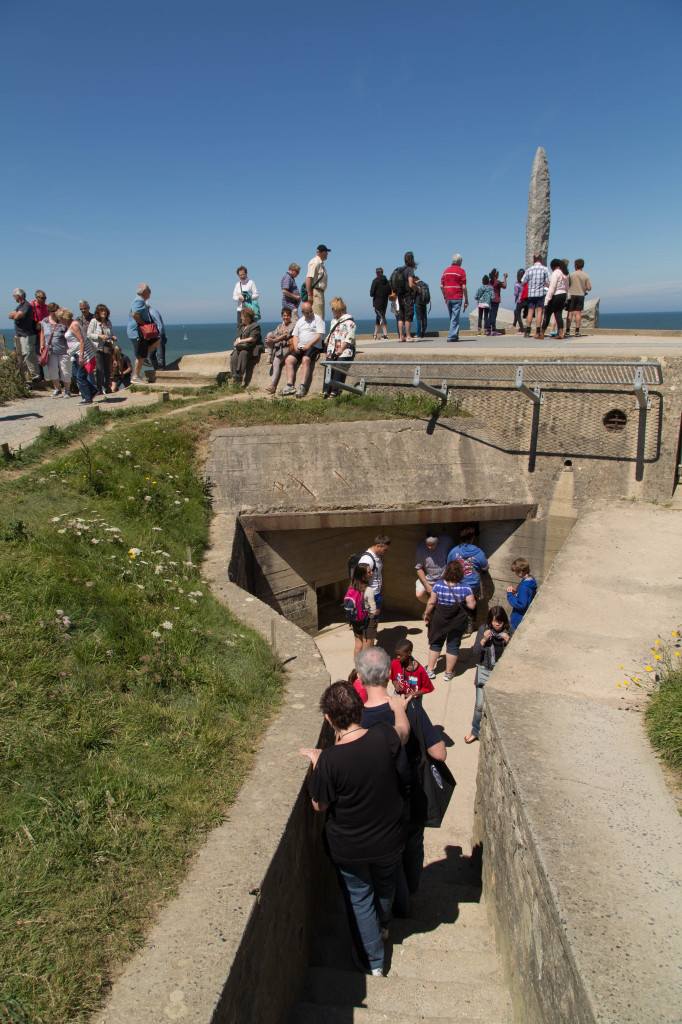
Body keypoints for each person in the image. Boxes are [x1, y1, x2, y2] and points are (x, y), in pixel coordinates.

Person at [300, 678, 410, 976]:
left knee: (360, 897)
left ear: (328, 719)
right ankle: (384, 925)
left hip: (350, 847)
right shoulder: (383, 736)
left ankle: (372, 961)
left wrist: (317, 767)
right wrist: (399, 708)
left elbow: (319, 806)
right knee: (385, 883)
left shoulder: (330, 761)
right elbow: (403, 733)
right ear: (360, 710)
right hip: (389, 837)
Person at [357, 647, 445, 916]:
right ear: (388, 675)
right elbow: (438, 752)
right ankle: (410, 897)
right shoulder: (410, 708)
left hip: (372, 803)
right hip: (408, 798)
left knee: (381, 857)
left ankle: (383, 907)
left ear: (361, 677)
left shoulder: (355, 717)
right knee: (412, 846)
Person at [464, 606, 512, 744]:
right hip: (485, 669)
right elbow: (475, 651)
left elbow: (514, 656)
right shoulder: (484, 630)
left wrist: (508, 642)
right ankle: (475, 730)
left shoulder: (510, 631)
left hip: (500, 672)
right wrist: (483, 640)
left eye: (500, 622)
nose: (497, 624)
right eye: (495, 621)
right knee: (479, 705)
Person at [424, 560, 476, 681]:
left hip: (440, 620)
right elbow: (472, 606)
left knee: (436, 643)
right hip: (457, 622)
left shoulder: (438, 585)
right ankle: (448, 673)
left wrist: (426, 614)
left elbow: (432, 602)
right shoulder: (466, 588)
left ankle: (430, 670)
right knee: (453, 645)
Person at [281, 301, 324, 398]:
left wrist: (308, 345)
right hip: (300, 345)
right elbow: (295, 336)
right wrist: (295, 345)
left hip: (314, 346)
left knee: (305, 359)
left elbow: (319, 335)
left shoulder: (317, 319)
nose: (309, 314)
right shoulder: (300, 321)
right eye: (307, 312)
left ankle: (303, 386)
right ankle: (289, 385)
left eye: (310, 311)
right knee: (289, 360)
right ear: (302, 312)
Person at [358, 535, 391, 645]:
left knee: (374, 623)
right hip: (371, 596)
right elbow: (360, 579)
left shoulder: (376, 556)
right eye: (384, 550)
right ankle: (368, 648)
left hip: (376, 593)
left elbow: (377, 575)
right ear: (378, 546)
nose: (386, 552)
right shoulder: (367, 560)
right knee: (370, 625)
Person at [60, 307, 97, 405]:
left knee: (80, 376)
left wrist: (81, 356)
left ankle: (87, 398)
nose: (60, 321)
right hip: (76, 353)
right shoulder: (71, 325)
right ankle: (92, 390)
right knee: (75, 375)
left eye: (61, 319)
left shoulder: (74, 326)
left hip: (82, 354)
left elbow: (81, 340)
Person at [322, 297, 356, 399]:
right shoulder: (333, 320)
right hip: (332, 348)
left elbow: (350, 337)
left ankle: (335, 390)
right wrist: (327, 339)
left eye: (333, 309)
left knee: (338, 368)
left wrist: (342, 348)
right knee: (328, 367)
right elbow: (332, 332)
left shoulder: (349, 321)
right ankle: (326, 389)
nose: (332, 311)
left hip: (344, 349)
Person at [446, 526, 489, 603]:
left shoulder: (454, 551)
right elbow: (485, 567)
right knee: (471, 605)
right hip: (472, 585)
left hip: (458, 584)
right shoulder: (478, 552)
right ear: (473, 538)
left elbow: (448, 566)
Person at [8, 288, 40, 381]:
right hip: (20, 334)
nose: (14, 298)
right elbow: (10, 315)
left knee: (29, 355)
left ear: (18, 296)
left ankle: (34, 375)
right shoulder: (20, 306)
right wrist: (15, 314)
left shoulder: (26, 305)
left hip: (27, 335)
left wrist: (15, 315)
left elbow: (17, 316)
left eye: (14, 296)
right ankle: (24, 375)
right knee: (21, 355)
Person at [40, 304, 71, 398]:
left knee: (65, 370)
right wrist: (41, 345)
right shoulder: (44, 321)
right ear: (49, 311)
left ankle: (67, 390)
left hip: (63, 350)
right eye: (52, 311)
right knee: (53, 370)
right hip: (50, 350)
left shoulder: (63, 321)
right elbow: (42, 333)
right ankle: (57, 388)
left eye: (56, 310)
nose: (55, 312)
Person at [414, 532, 454, 605]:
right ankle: (432, 605)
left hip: (444, 578)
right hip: (428, 578)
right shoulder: (420, 548)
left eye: (432, 545)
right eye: (427, 545)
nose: (429, 547)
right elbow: (418, 568)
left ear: (437, 542)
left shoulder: (447, 541)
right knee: (419, 594)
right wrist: (427, 585)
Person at [346, 562, 377, 656]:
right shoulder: (368, 590)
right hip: (367, 621)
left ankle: (357, 669)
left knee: (358, 646)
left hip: (355, 620)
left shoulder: (351, 587)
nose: (371, 572)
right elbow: (373, 611)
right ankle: (364, 670)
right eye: (369, 572)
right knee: (367, 649)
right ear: (363, 576)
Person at [127, 283, 155, 383]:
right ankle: (135, 376)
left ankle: (144, 358)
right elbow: (134, 314)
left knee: (155, 341)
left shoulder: (140, 301)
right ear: (144, 292)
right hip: (137, 332)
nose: (150, 292)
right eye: (149, 290)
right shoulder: (139, 300)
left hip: (137, 331)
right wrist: (143, 324)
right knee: (140, 354)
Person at [87, 304, 117, 396]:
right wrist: (99, 336)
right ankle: (99, 388)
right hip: (97, 348)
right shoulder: (94, 322)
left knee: (107, 368)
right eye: (101, 311)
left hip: (107, 348)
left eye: (105, 311)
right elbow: (89, 335)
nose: (103, 313)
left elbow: (110, 334)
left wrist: (113, 338)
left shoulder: (108, 322)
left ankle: (107, 387)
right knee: (99, 369)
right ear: (98, 313)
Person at [264, 307, 295, 394]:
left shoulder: (292, 325)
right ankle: (269, 355)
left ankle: (273, 384)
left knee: (276, 362)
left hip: (285, 347)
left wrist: (275, 340)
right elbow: (274, 334)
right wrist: (269, 339)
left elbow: (286, 335)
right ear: (282, 316)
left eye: (287, 315)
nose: (286, 317)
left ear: (290, 316)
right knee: (269, 334)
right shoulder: (280, 326)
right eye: (284, 316)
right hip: (277, 346)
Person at [230, 306, 263, 387]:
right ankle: (234, 376)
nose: (241, 318)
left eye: (243, 316)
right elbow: (238, 337)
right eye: (241, 316)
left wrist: (239, 341)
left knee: (243, 353)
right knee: (234, 355)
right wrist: (236, 344)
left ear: (249, 317)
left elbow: (252, 339)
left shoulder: (255, 326)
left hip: (252, 348)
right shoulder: (241, 326)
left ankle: (240, 374)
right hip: (242, 347)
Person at [440, 254, 468, 343]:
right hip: (457, 296)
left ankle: (455, 335)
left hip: (448, 296)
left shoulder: (446, 271)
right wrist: (466, 299)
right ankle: (451, 336)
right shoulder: (461, 271)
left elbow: (441, 286)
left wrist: (444, 296)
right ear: (459, 261)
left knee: (452, 317)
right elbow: (464, 287)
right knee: (455, 317)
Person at [521, 256, 550, 338]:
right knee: (539, 312)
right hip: (541, 293)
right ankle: (537, 331)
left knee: (530, 312)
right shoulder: (545, 269)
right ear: (541, 260)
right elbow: (548, 281)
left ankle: (527, 331)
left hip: (531, 293)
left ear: (533, 260)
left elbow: (523, 282)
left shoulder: (529, 270)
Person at [541, 259, 570, 340]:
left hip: (556, 295)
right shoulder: (565, 274)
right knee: (558, 314)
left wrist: (547, 300)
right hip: (563, 294)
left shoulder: (555, 273)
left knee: (547, 314)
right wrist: (567, 298)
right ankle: (561, 333)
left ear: (553, 266)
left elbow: (552, 287)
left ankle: (542, 333)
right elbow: (567, 287)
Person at [506, 557, 537, 629]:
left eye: (516, 571)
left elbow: (521, 605)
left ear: (520, 571)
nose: (515, 573)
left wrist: (510, 595)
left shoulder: (523, 587)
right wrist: (517, 592)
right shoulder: (531, 580)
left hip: (519, 619)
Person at [395, 251, 418, 343]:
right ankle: (408, 336)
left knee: (401, 317)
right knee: (408, 316)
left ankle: (401, 336)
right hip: (407, 295)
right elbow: (411, 284)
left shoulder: (400, 270)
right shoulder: (409, 270)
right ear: (412, 259)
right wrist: (418, 288)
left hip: (400, 295)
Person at [565, 259, 592, 337]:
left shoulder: (572, 275)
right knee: (578, 313)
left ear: (576, 266)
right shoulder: (586, 275)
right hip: (581, 295)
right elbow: (589, 288)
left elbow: (568, 285)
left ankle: (567, 330)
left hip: (572, 295)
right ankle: (577, 330)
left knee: (570, 313)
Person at [305, 245, 330, 320]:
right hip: (316, 292)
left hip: (320, 292)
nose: (327, 254)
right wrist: (310, 295)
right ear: (322, 252)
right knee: (318, 317)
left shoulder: (320, 264)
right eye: (326, 252)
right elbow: (308, 278)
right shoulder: (315, 262)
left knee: (320, 317)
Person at [370, 268, 390, 340]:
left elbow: (372, 293)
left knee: (381, 317)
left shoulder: (375, 281)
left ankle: (385, 334)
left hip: (377, 302)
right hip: (385, 301)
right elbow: (389, 292)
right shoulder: (387, 281)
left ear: (376, 273)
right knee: (379, 317)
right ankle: (375, 334)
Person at [488, 269, 507, 336]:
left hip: (490, 300)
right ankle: (493, 330)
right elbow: (504, 286)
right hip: (496, 300)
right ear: (496, 275)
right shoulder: (497, 282)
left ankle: (488, 330)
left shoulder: (489, 282)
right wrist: (505, 278)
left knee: (490, 315)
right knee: (494, 315)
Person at [148, 304, 167, 369]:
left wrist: (159, 336)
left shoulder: (153, 312)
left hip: (159, 336)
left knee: (160, 355)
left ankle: (161, 370)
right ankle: (157, 369)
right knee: (151, 355)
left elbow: (159, 324)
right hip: (155, 336)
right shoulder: (150, 312)